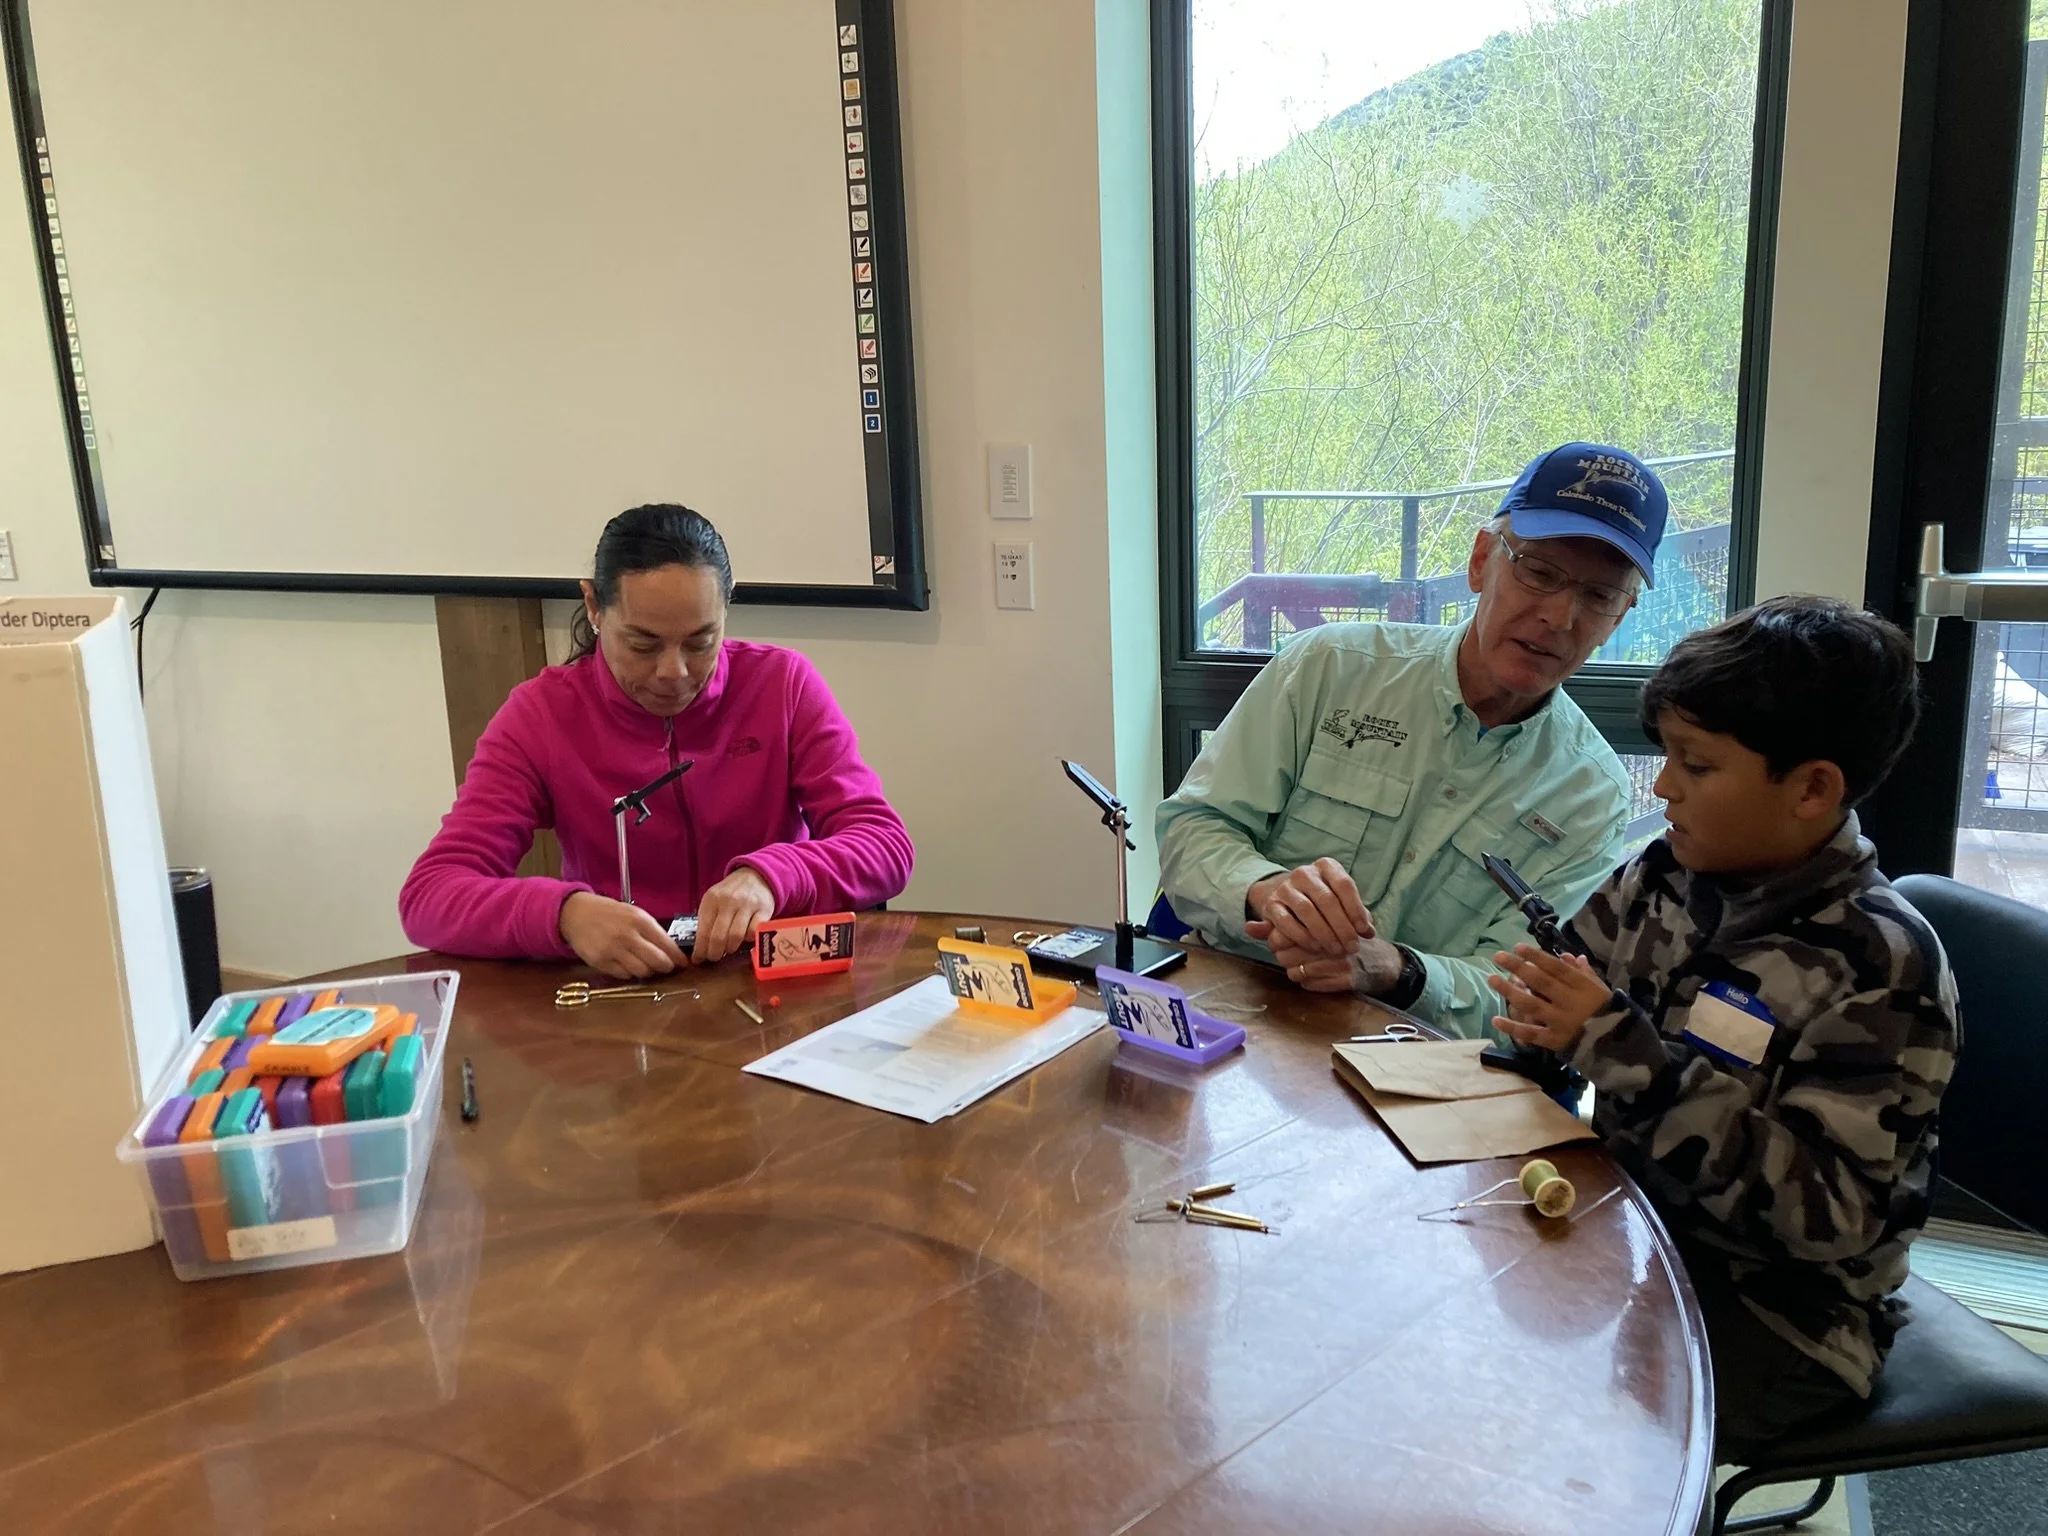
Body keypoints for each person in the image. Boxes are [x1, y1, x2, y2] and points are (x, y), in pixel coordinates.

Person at [1485, 596, 1958, 1457]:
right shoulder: (1665, 874)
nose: (1663, 786)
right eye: (1667, 756)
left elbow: (1828, 1218)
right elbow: (1562, 1007)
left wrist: (1629, 1057)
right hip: (1636, 1228)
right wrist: (1531, 1030)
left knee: (1560, 1430)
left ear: (1812, 788)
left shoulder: (1880, 965)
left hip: (1782, 1312)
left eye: (1696, 765)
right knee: (1462, 1312)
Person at [1156, 442, 1667, 1036]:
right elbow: (1191, 830)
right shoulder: (1331, 667)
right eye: (1539, 572)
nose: (1559, 616)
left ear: (1619, 617)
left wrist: (1399, 971)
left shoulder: (1591, 795)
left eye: (1599, 595)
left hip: (1408, 1061)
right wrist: (1265, 890)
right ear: (1481, 562)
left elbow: (1527, 996)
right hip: (1230, 1009)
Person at [400, 504, 914, 976]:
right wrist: (565, 914)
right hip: (625, 989)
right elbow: (430, 894)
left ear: (727, 607)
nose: (675, 672)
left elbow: (885, 846)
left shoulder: (783, 685)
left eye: (701, 641)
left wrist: (772, 877)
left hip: (774, 975)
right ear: (594, 607)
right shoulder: (541, 715)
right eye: (642, 644)